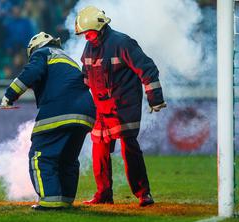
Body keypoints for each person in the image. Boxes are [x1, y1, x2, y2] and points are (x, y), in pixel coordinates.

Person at [75, 6, 166, 207]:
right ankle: (104, 194)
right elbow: (85, 74)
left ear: (100, 27)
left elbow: (147, 69)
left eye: (88, 33)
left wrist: (155, 98)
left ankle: (143, 194)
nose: (86, 38)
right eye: (84, 35)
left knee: (129, 147)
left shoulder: (122, 43)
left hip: (124, 106)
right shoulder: (89, 47)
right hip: (101, 108)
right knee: (98, 149)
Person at [0, 32, 96, 210]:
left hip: (60, 108)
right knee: (68, 159)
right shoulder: (67, 58)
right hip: (86, 112)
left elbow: (32, 73)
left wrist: (9, 96)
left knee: (40, 156)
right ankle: (65, 199)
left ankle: (50, 200)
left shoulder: (43, 53)